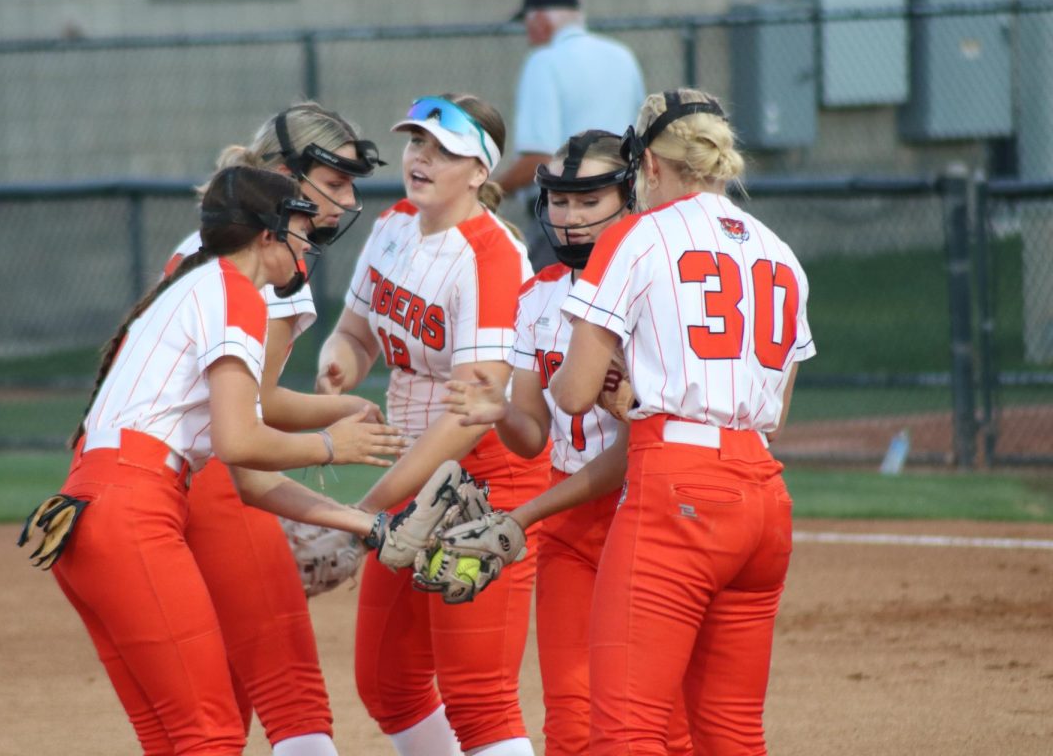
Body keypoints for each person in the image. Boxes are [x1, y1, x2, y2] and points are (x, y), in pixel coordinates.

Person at [37, 166, 404, 756]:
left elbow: (252, 485)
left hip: (87, 520)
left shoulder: (198, 283)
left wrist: (369, 524)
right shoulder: (235, 291)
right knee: (209, 733)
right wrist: (334, 446)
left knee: (174, 739)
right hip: (133, 513)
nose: (306, 243)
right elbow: (240, 440)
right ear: (267, 233)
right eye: (299, 227)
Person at [550, 89, 816, 755]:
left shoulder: (637, 236)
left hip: (679, 493)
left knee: (627, 733)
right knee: (730, 735)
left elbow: (576, 393)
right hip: (764, 498)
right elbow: (776, 415)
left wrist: (605, 383)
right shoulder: (780, 250)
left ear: (648, 165)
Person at [442, 130, 692, 756]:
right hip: (570, 520)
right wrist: (495, 409)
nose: (571, 217)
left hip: (648, 512)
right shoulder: (540, 294)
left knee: (669, 726)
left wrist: (523, 515)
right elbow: (530, 439)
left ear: (629, 194)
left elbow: (631, 453)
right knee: (572, 723)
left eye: (589, 200)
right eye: (560, 201)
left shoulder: (659, 285)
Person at [315, 93, 549, 756]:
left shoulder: (491, 256)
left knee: (478, 695)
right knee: (389, 684)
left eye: (444, 149)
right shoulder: (392, 224)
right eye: (417, 142)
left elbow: (472, 417)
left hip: (483, 482)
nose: (420, 157)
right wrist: (339, 364)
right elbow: (354, 335)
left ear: (479, 172)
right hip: (412, 475)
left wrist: (366, 508)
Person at [162, 103, 386, 755]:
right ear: (288, 175)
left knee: (221, 703)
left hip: (170, 478)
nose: (346, 201)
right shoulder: (275, 254)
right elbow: (255, 409)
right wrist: (339, 425)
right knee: (292, 695)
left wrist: (338, 409)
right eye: (335, 181)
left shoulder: (205, 238)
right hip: (220, 483)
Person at [497, 0, 647, 270]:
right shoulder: (622, 56)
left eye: (526, 23)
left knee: (539, 300)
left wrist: (490, 190)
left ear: (540, 20)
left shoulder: (544, 61)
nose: (527, 33)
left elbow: (538, 159)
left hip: (569, 222)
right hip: (620, 216)